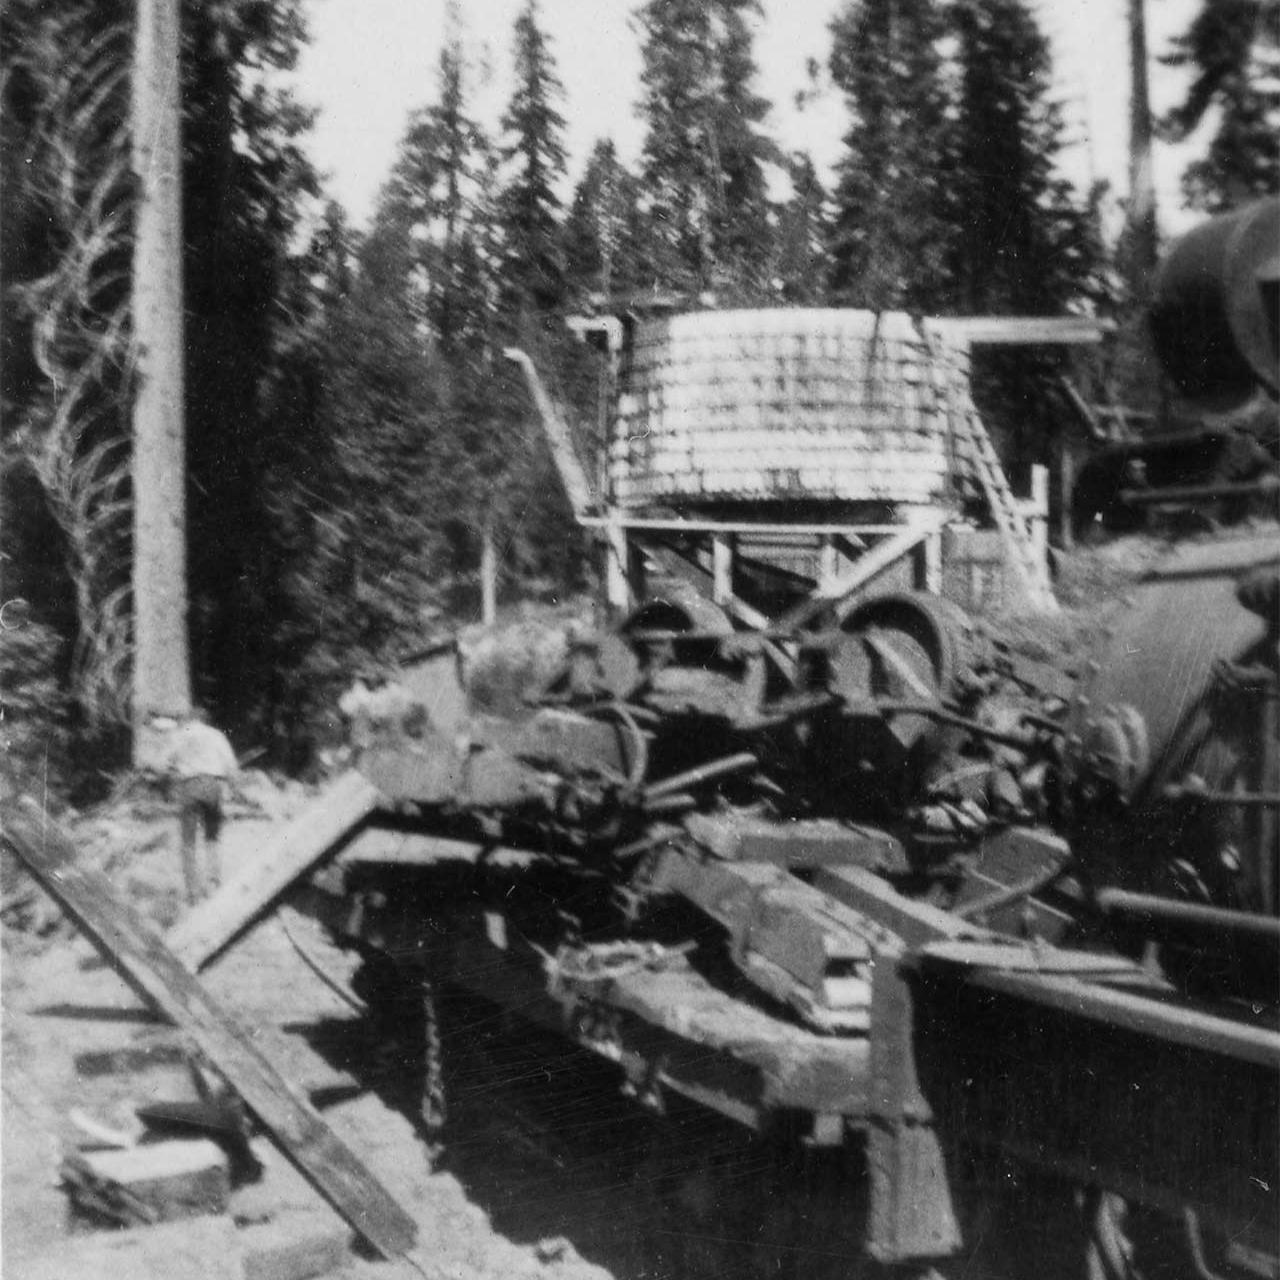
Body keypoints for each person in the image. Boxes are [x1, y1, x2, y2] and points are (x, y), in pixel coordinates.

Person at [157, 708, 239, 905]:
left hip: (189, 786)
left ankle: (193, 893)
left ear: (190, 720)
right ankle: (214, 882)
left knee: (188, 841)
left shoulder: (179, 735)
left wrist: (165, 784)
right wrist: (234, 788)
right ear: (205, 720)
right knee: (212, 837)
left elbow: (161, 764)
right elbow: (231, 765)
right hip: (213, 785)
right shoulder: (216, 735)